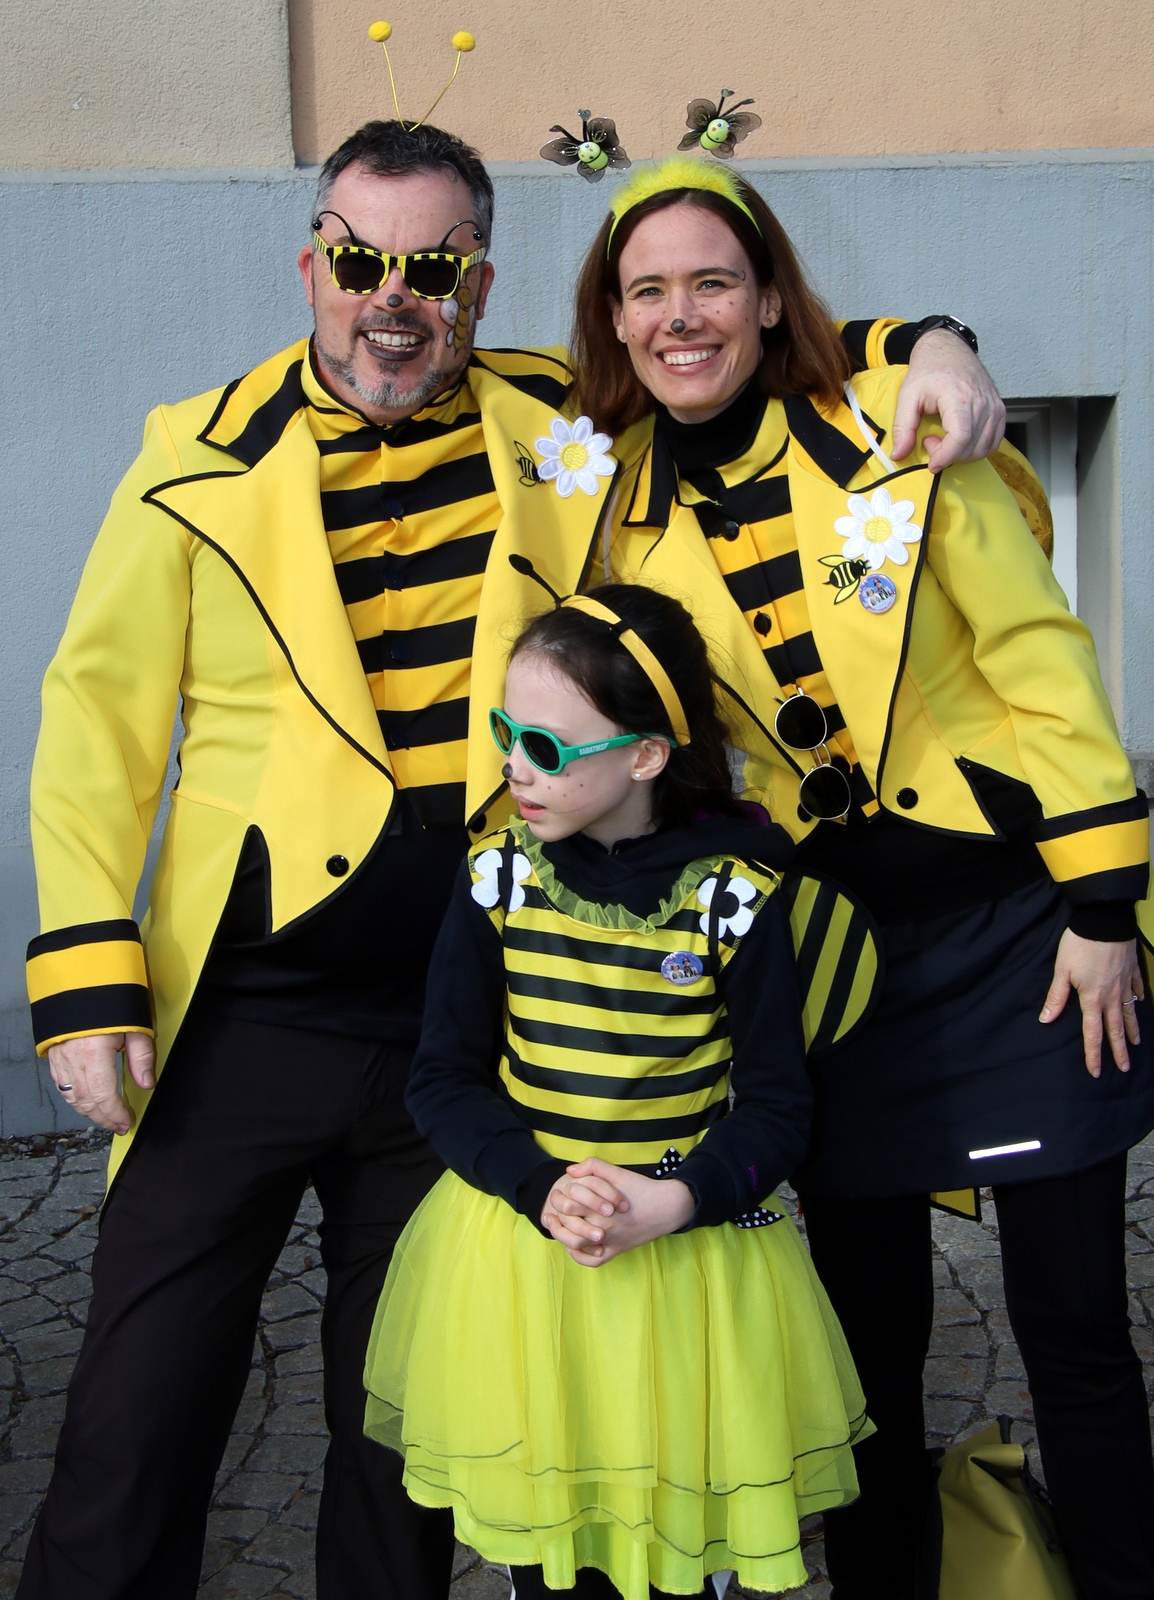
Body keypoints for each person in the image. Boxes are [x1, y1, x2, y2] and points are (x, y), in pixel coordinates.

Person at [21, 103, 1002, 1597]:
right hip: (242, 1011)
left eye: (435, 266)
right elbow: (95, 724)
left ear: (479, 282)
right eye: (361, 258)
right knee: (137, 1406)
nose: (392, 296)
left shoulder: (561, 429)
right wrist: (90, 976)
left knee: (407, 1434)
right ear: (310, 267)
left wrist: (929, 343)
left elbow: (727, 353)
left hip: (470, 1012)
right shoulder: (194, 461)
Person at [573, 154, 1154, 1599]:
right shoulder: (607, 510)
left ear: (770, 297)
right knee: (865, 1355)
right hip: (830, 981)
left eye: (713, 281)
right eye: (648, 291)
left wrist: (1101, 908)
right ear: (616, 318)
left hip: (1027, 941)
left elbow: (1040, 664)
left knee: (1076, 1330)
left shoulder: (894, 433)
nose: (680, 315)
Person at [365, 582, 870, 1600]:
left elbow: (778, 1108)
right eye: (506, 733)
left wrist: (676, 1199)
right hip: (525, 1258)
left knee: (684, 1550)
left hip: (689, 1268)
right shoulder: (494, 880)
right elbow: (443, 1077)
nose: (513, 766)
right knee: (548, 1558)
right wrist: (537, 1185)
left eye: (545, 747)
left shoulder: (734, 900)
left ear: (643, 755)